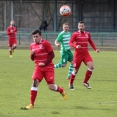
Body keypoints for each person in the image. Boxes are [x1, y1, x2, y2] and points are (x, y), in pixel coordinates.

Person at [21, 30, 67, 110]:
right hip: (38, 67)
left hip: (48, 67)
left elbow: (52, 55)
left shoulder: (46, 43)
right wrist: (31, 54)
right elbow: (32, 59)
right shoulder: (32, 45)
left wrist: (45, 63)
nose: (35, 38)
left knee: (50, 86)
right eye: (33, 37)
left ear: (40, 36)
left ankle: (61, 90)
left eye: (36, 36)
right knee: (35, 83)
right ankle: (31, 104)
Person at [69, 21, 100, 90]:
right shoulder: (75, 34)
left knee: (91, 67)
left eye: (82, 26)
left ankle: (85, 82)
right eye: (79, 26)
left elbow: (90, 41)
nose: (81, 27)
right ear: (78, 27)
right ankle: (71, 84)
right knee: (76, 70)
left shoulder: (87, 34)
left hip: (86, 54)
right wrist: (75, 46)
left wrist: (95, 49)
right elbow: (70, 43)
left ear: (84, 26)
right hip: (78, 54)